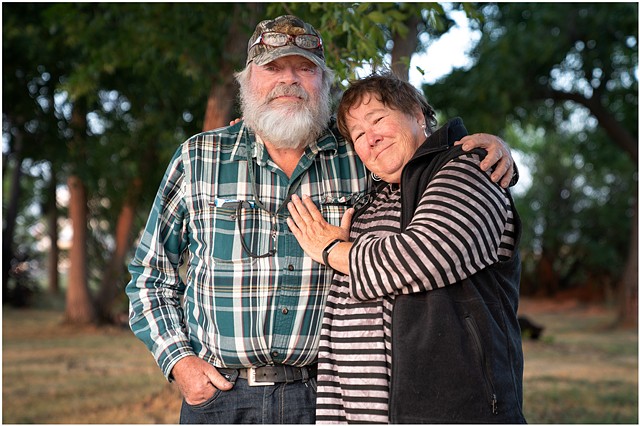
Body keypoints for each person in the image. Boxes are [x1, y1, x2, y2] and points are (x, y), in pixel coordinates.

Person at [125, 15, 517, 424]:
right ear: (247, 83)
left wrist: (485, 147)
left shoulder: (360, 154)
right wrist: (180, 363)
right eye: (273, 67)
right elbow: (150, 275)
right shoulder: (199, 157)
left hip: (326, 398)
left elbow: (421, 160)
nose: (289, 80)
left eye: (305, 68)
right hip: (221, 396)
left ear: (324, 83)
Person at [286, 71, 526, 424]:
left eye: (378, 119)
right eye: (358, 134)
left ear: (416, 113)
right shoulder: (375, 196)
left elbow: (428, 253)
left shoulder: (470, 169)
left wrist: (331, 251)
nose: (371, 138)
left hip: (455, 409)